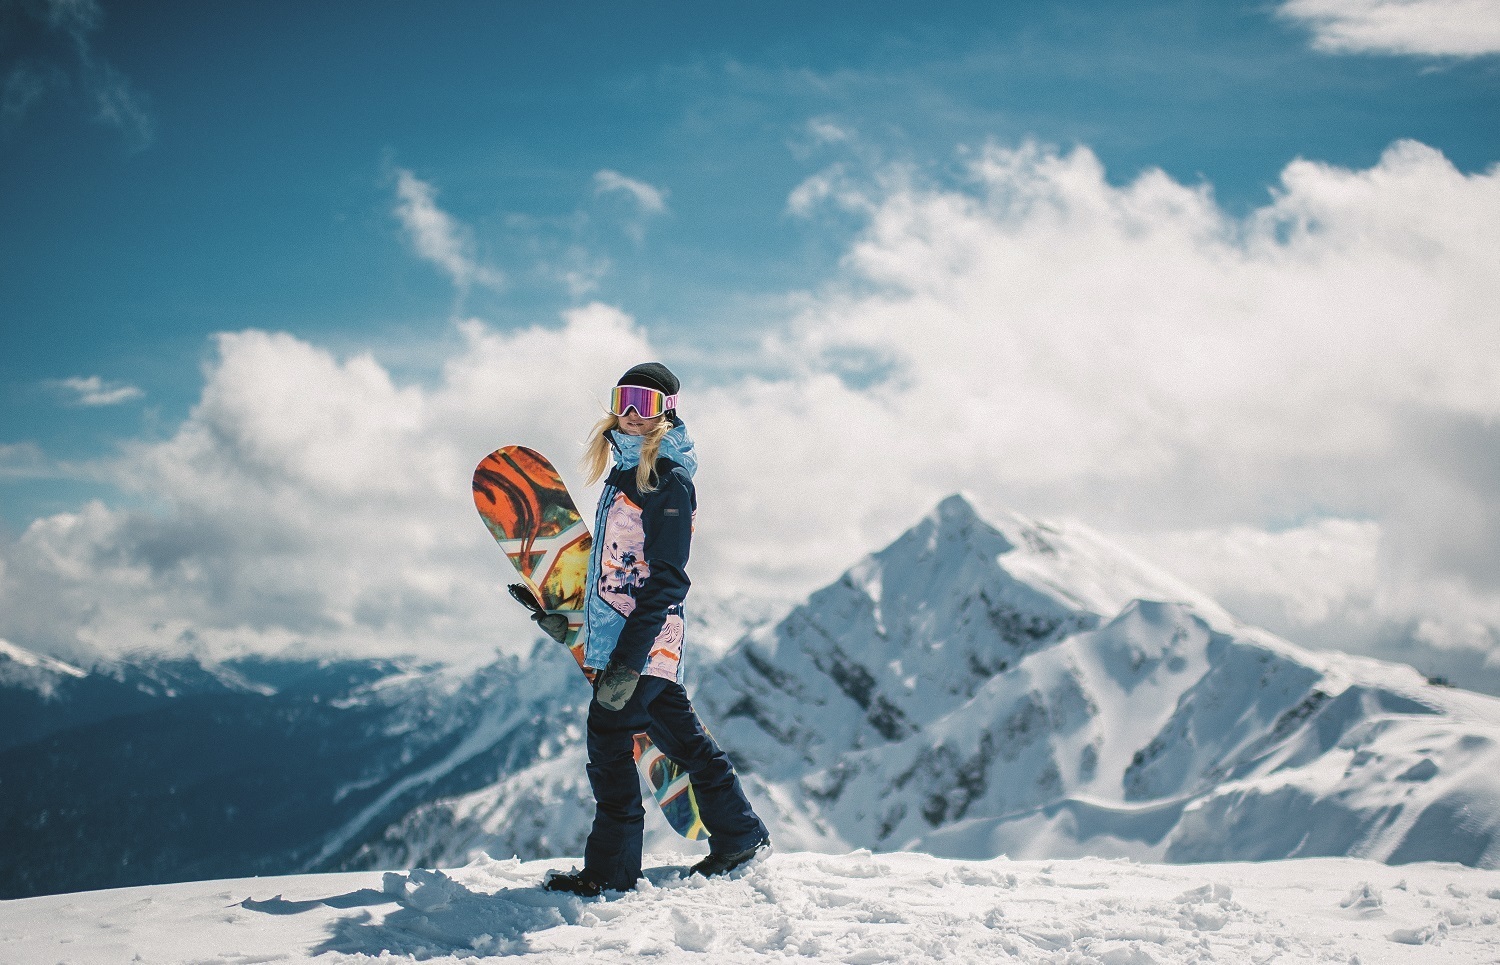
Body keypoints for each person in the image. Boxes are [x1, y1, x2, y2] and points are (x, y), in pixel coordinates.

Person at [540, 362, 770, 898]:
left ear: (667, 411)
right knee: (681, 739)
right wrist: (569, 621)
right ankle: (740, 836)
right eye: (624, 398)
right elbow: (618, 571)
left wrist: (625, 659)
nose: (630, 413)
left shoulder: (667, 480)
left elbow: (667, 580)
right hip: (630, 641)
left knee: (608, 741)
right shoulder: (624, 474)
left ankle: (611, 872)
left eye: (644, 402)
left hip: (640, 645)